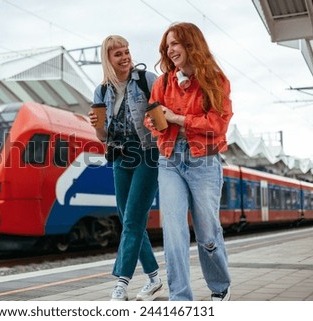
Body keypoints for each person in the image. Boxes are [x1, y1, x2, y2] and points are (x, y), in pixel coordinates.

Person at [145, 22, 233, 301]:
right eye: (167, 45)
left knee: (207, 231)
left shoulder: (216, 80)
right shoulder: (163, 82)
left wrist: (176, 119)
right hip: (169, 159)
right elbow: (151, 117)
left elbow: (216, 126)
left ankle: (220, 287)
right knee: (173, 230)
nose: (170, 50)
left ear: (191, 44)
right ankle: (180, 298)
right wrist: (158, 121)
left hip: (204, 161)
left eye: (175, 44)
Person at [88, 35, 163, 301]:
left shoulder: (147, 80)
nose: (125, 57)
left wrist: (158, 120)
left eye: (127, 51)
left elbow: (162, 120)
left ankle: (121, 282)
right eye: (118, 53)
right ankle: (154, 278)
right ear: (108, 59)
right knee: (129, 219)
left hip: (147, 153)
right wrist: (97, 125)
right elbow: (102, 136)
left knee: (132, 219)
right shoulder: (102, 91)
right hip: (120, 155)